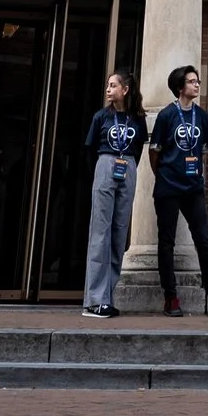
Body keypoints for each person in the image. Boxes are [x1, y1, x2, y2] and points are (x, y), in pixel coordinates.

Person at [147, 64, 208, 317]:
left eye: (198, 81)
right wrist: (166, 176)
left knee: (203, 240)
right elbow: (155, 152)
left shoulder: (201, 116)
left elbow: (205, 150)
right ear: (180, 87)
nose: (197, 85)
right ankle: (171, 298)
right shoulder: (167, 116)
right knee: (166, 242)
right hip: (169, 187)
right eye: (192, 81)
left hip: (193, 188)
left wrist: (195, 173)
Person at [79, 70, 143, 317]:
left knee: (119, 233)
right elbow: (90, 148)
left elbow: (138, 148)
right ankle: (94, 299)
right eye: (108, 85)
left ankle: (108, 296)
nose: (108, 89)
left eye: (113, 85)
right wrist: (100, 171)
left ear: (125, 90)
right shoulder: (101, 117)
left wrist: (128, 166)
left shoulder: (137, 119)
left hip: (128, 167)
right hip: (106, 164)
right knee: (100, 232)